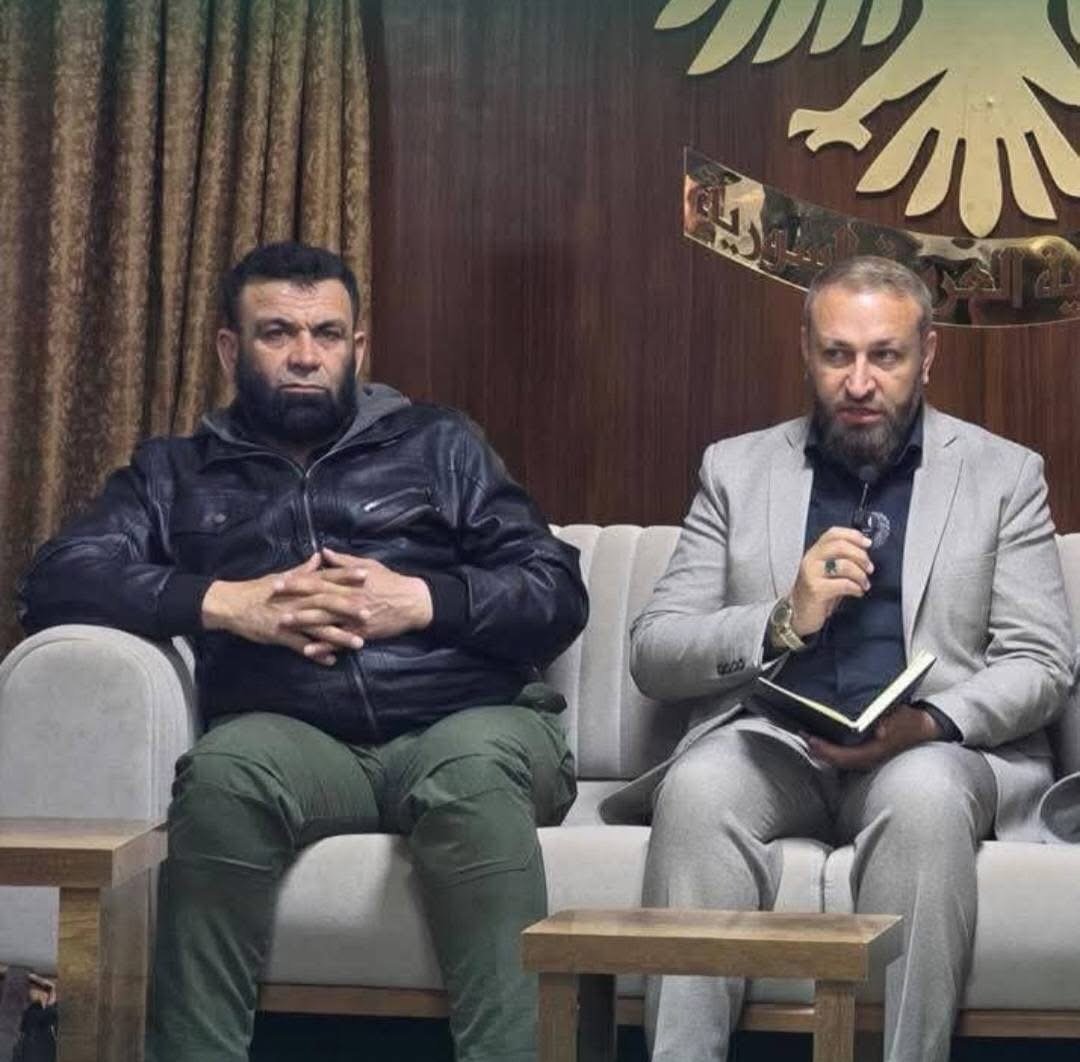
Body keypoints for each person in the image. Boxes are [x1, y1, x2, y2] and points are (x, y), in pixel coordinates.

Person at [18, 242, 588, 1062]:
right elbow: (57, 577)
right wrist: (227, 602)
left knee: (468, 776)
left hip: (467, 718)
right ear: (230, 349)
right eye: (277, 333)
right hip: (294, 739)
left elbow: (555, 588)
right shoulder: (176, 473)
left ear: (358, 348)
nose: (304, 356)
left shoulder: (439, 445)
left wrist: (422, 600)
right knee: (222, 775)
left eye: (326, 334)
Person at [619, 256, 1076, 1062]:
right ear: (806, 351)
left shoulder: (1004, 475)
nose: (859, 382)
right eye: (837, 354)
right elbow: (655, 651)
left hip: (923, 751)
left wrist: (927, 723)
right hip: (774, 746)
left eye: (884, 356)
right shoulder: (735, 470)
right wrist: (781, 620)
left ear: (927, 355)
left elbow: (1041, 660)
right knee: (697, 787)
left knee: (925, 796)